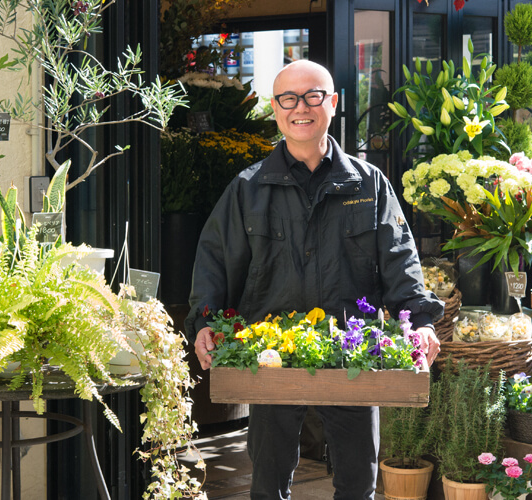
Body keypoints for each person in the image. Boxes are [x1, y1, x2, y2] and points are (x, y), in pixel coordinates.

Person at [186, 60, 443, 500]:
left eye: (312, 96)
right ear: (275, 107)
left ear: (333, 103)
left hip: (352, 354)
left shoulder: (369, 185)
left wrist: (419, 322)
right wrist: (205, 321)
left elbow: (400, 260)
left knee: (359, 482)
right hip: (268, 355)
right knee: (267, 481)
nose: (299, 108)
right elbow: (214, 260)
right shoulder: (248, 189)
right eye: (288, 98)